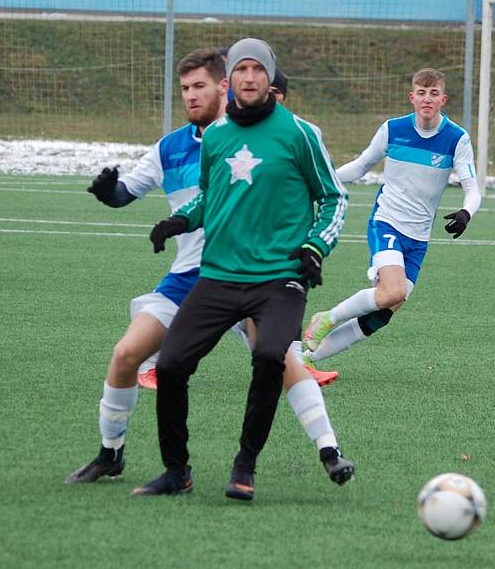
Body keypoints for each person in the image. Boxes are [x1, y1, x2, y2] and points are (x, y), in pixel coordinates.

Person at [65, 48, 341, 487]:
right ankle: (111, 454)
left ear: (223, 86)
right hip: (192, 278)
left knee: (280, 360)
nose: (192, 97)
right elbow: (130, 192)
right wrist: (108, 192)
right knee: (127, 355)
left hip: (253, 272)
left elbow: (326, 195)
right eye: (185, 89)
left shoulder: (266, 135)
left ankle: (328, 449)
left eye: (200, 87)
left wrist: (311, 246)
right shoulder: (171, 147)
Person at [301, 68, 481, 375]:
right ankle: (327, 318)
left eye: (434, 93)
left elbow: (472, 188)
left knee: (385, 310)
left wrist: (466, 212)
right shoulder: (393, 129)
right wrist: (321, 183)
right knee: (394, 291)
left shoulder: (456, 138)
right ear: (412, 97)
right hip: (386, 222)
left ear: (443, 99)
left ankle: (307, 361)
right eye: (421, 93)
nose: (427, 99)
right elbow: (360, 166)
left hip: (419, 238)